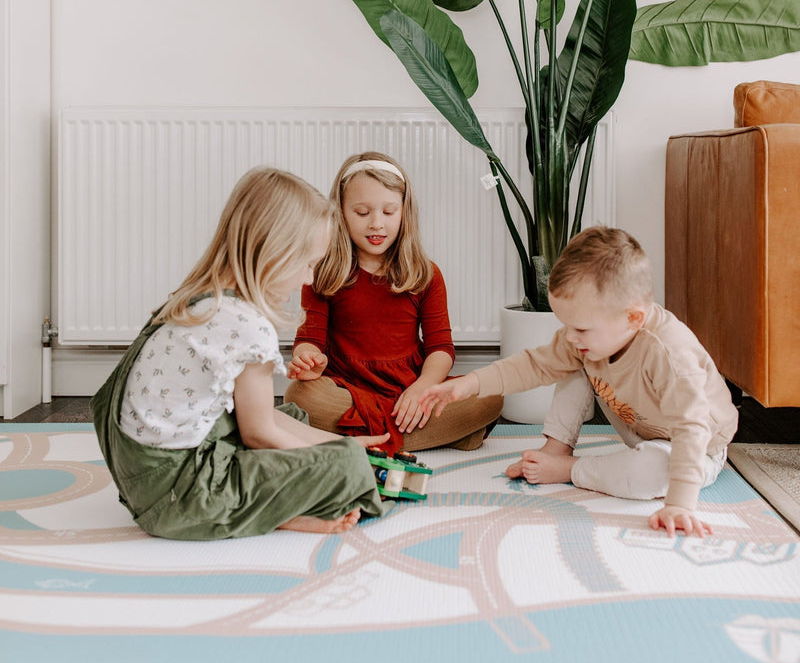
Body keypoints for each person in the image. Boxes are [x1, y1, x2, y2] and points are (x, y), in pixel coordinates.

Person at [90, 166, 392, 541]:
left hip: (140, 483)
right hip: (183, 499)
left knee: (292, 416)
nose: (309, 280)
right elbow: (260, 435)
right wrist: (338, 457)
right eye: (309, 264)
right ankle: (270, 510)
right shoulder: (249, 327)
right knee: (347, 468)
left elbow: (259, 421)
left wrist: (333, 442)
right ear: (275, 253)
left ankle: (273, 508)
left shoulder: (193, 300)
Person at [418, 226, 738, 538]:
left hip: (697, 448)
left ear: (633, 318)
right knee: (573, 360)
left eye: (581, 328)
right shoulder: (592, 338)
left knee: (651, 473)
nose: (570, 336)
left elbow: (691, 428)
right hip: (642, 429)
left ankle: (568, 468)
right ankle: (556, 447)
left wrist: (680, 504)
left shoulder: (669, 352)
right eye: (566, 325)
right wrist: (469, 384)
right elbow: (534, 365)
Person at [284, 151, 503, 454]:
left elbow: (441, 348)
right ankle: (443, 434)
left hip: (409, 391)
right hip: (346, 390)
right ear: (341, 213)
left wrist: (423, 386)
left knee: (492, 390)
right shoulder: (323, 272)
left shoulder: (427, 274)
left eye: (388, 212)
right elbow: (308, 340)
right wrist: (308, 360)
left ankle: (365, 438)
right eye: (362, 213)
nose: (376, 224)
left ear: (404, 212)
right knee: (300, 394)